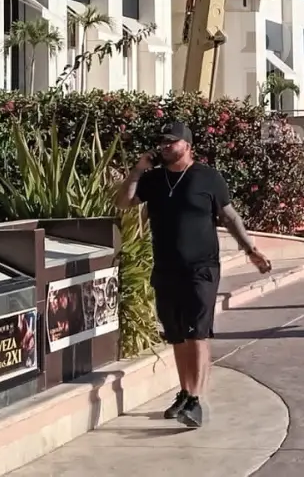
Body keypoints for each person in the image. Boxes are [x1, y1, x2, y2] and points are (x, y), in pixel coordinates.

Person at [116, 121, 272, 429]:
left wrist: (251, 251)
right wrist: (137, 170)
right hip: (165, 267)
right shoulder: (153, 179)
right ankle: (186, 393)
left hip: (202, 267)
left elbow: (229, 216)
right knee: (177, 335)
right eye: (161, 142)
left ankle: (197, 400)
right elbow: (123, 202)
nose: (164, 146)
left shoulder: (208, 177)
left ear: (187, 145)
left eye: (171, 142)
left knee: (198, 332)